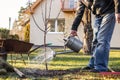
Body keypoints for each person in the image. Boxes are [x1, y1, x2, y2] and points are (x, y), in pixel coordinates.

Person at [70, 0, 120, 72]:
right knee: (95, 41)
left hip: (109, 12)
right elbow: (80, 12)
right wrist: (74, 28)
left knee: (102, 39)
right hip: (98, 15)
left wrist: (117, 11)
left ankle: (101, 67)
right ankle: (93, 64)